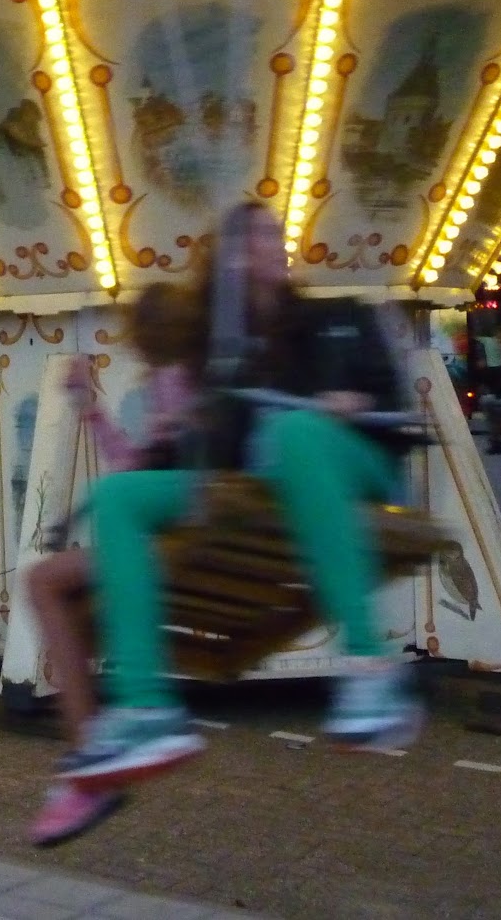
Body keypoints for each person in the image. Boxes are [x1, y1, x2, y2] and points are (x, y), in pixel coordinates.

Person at [57, 201, 423, 791]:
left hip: (357, 465)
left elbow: (392, 404)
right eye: (256, 239)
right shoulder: (222, 353)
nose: (273, 245)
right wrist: (179, 431)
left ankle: (370, 663)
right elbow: (217, 450)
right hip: (262, 484)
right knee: (121, 496)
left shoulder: (338, 318)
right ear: (227, 262)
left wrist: (349, 404)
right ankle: (145, 706)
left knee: (296, 431)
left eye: (275, 235)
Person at [23, 342, 200, 847]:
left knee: (74, 573)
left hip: (192, 523)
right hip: (160, 526)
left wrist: (183, 420)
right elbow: (131, 465)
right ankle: (90, 756)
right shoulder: (164, 379)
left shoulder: (200, 362)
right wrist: (90, 404)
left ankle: (134, 714)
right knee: (44, 581)